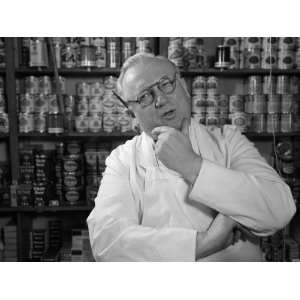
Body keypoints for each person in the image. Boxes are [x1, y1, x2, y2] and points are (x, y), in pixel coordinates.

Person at [87, 53, 296, 261]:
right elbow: (107, 242)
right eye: (144, 96)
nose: (160, 99)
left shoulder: (229, 141)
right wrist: (206, 242)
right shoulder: (123, 160)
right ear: (131, 114)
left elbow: (280, 209)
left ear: (183, 86)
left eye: (166, 84)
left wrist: (192, 166)